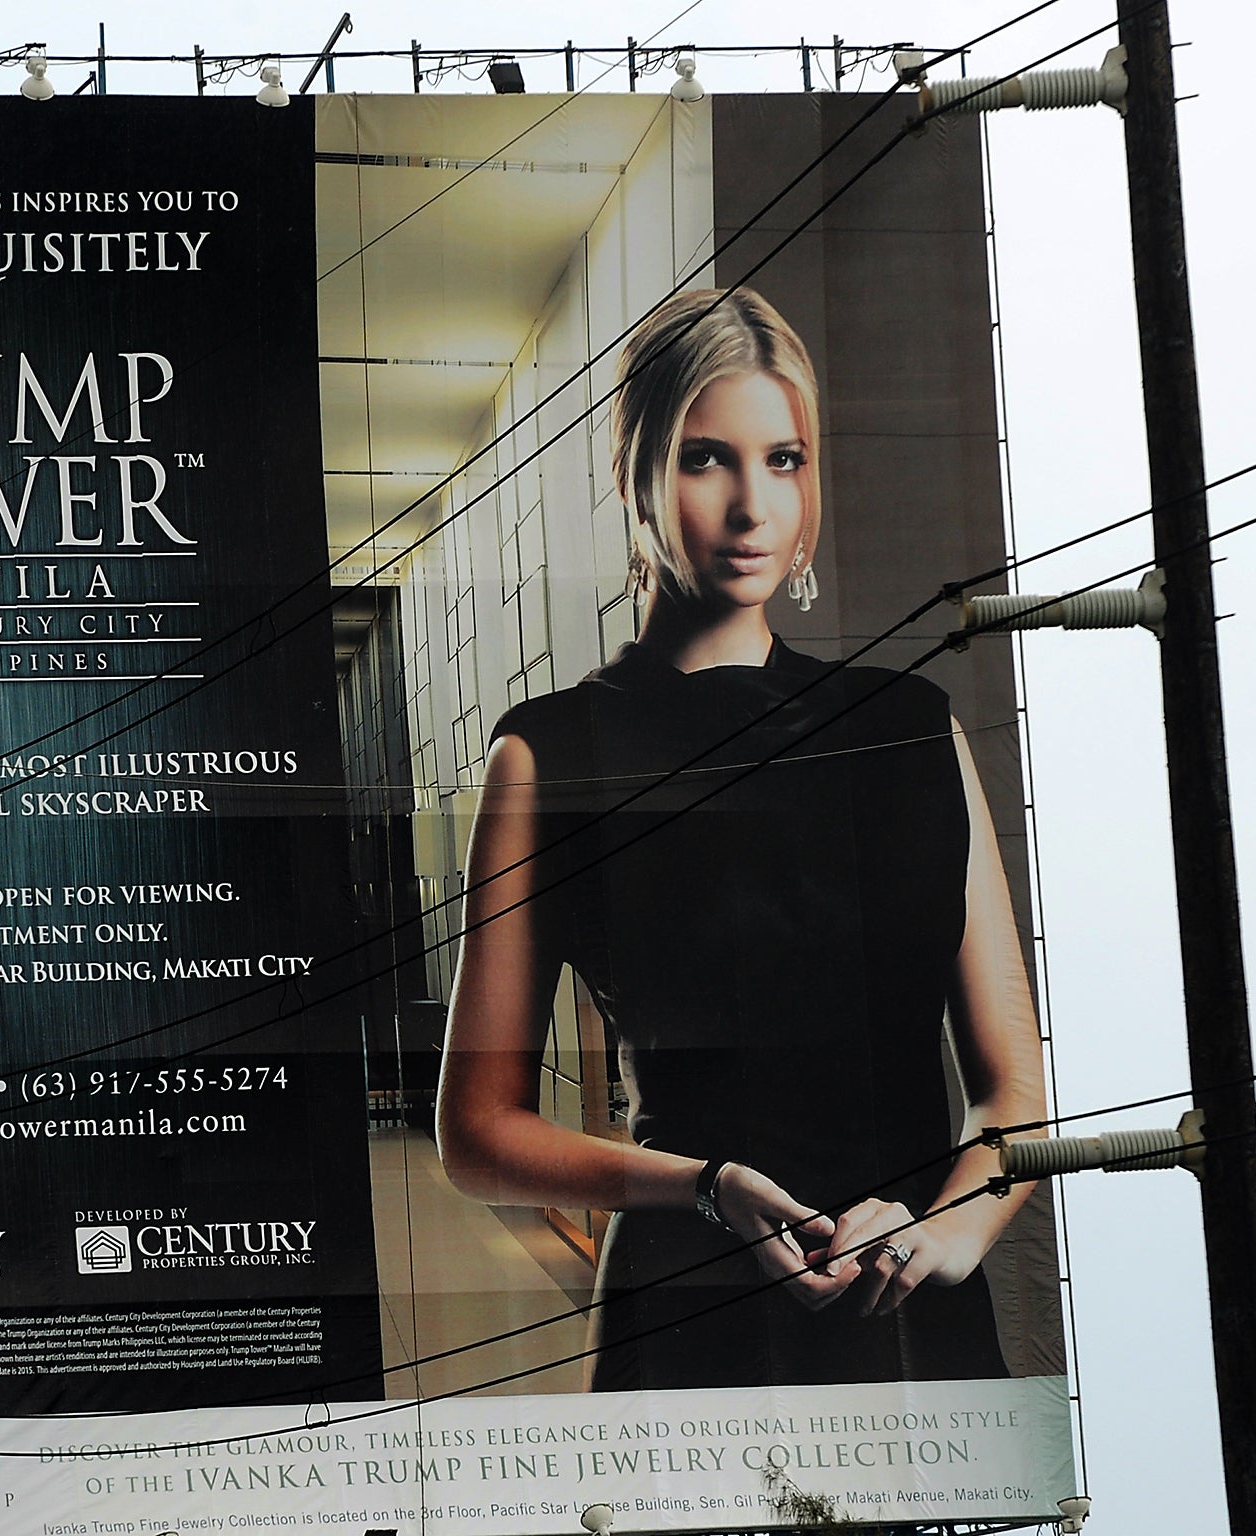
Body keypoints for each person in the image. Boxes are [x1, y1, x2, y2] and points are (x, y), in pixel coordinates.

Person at [433, 288, 1048, 1389]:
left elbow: (1012, 1091)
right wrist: (703, 1183)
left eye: (784, 460)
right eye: (707, 458)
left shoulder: (908, 729)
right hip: (686, 1300)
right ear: (634, 477)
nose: (750, 506)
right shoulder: (547, 755)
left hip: (908, 1304)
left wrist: (942, 1233)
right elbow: (477, 1131)